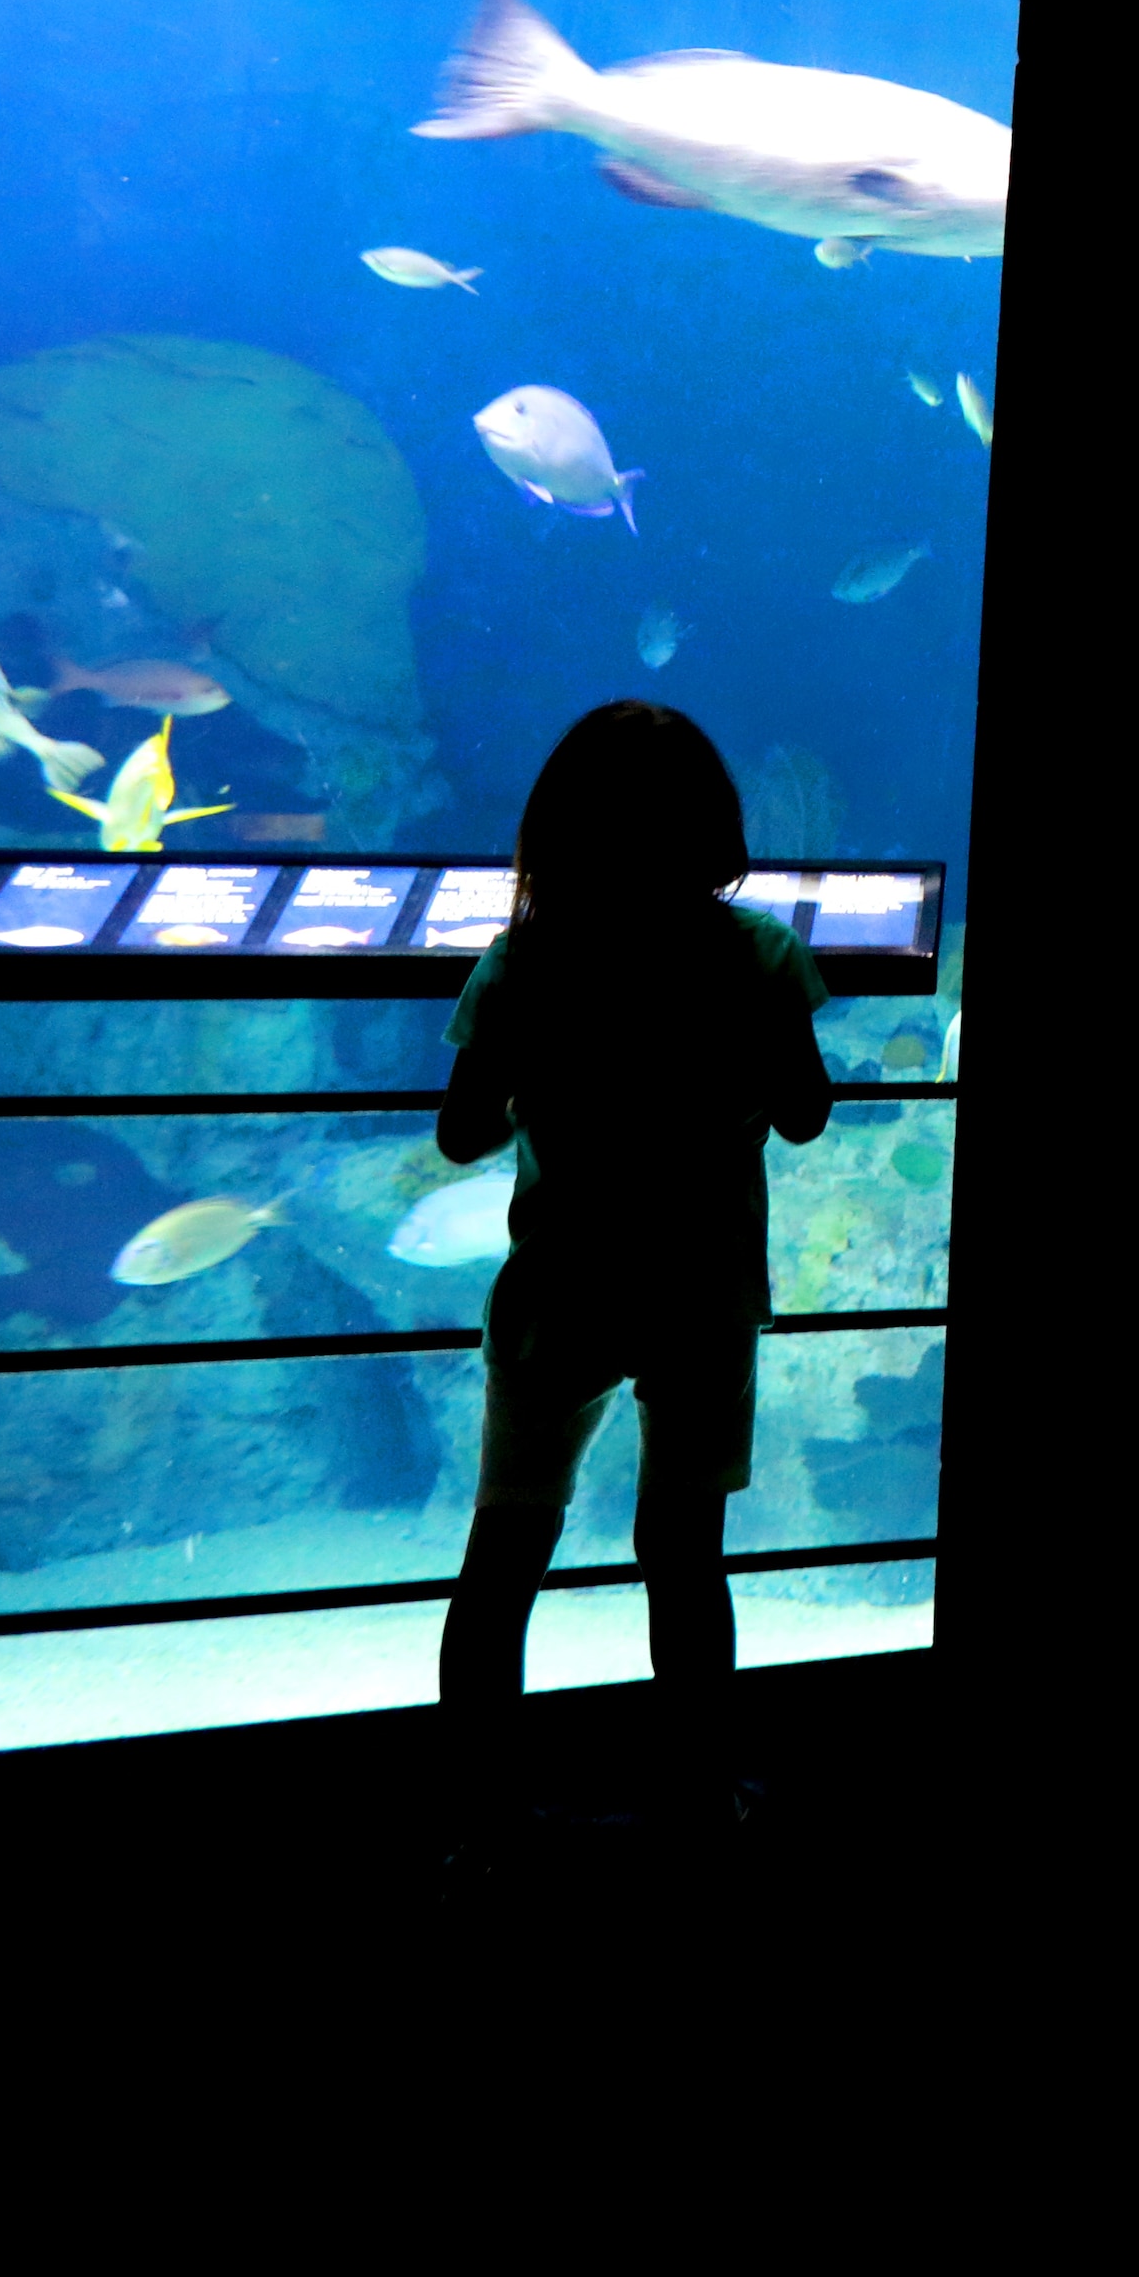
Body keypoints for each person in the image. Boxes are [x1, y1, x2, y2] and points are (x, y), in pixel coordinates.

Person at [433, 700, 835, 1844]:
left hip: (560, 1281)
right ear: (710, 824)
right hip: (700, 1290)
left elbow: (462, 1136)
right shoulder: (758, 952)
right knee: (683, 1548)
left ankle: (479, 1815)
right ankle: (701, 1798)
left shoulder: (522, 959)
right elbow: (804, 1114)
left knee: (506, 1546)